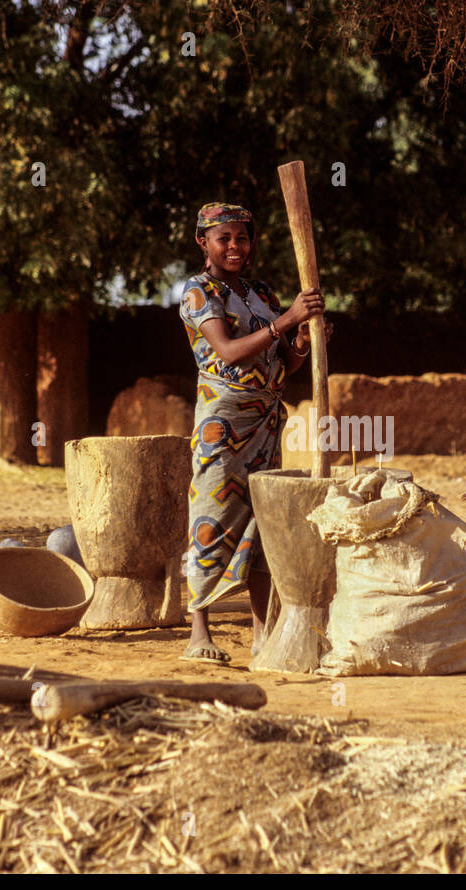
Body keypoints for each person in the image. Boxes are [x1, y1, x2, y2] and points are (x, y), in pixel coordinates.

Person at [178, 202, 330, 664]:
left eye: (242, 238)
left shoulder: (261, 291)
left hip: (265, 422)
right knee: (213, 515)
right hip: (223, 424)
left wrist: (302, 340)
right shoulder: (198, 291)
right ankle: (198, 630)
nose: (235, 247)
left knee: (264, 525)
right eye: (224, 239)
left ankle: (262, 631)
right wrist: (285, 322)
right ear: (204, 243)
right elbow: (228, 352)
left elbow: (284, 362)